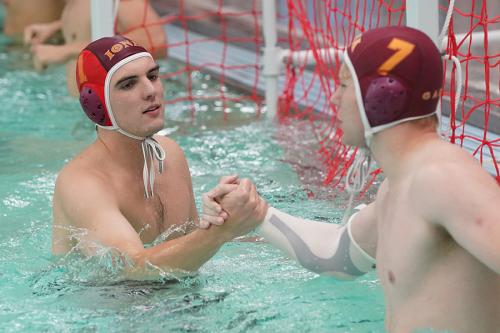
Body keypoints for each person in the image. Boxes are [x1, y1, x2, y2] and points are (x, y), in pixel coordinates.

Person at [201, 26, 500, 332]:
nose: (332, 98)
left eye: (344, 85)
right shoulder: (399, 186)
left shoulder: (442, 178)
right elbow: (338, 255)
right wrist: (256, 214)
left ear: (384, 94)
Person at [52, 35, 266, 278]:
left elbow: (192, 245)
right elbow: (133, 268)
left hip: (177, 297)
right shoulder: (81, 184)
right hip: (108, 307)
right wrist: (219, 233)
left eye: (152, 76)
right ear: (95, 104)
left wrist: (233, 217)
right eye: (128, 84)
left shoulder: (169, 156)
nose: (150, 90)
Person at [24, 0, 167, 96]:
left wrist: (65, 50)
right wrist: (56, 27)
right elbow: (100, 19)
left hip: (116, 113)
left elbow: (156, 41)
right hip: (85, 107)